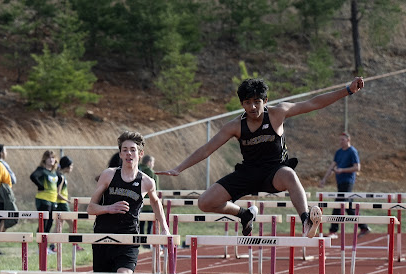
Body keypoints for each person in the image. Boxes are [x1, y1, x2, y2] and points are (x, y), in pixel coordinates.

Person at [158, 76, 365, 238]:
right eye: (248, 103)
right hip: (248, 172)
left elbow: (314, 103)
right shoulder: (235, 126)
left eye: (257, 102)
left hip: (275, 171)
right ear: (242, 104)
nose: (253, 107)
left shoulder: (277, 113)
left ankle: (306, 220)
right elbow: (207, 149)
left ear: (265, 101)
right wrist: (179, 168)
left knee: (290, 175)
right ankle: (244, 214)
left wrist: (347, 90)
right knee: (204, 202)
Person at [87, 131, 170, 274]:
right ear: (120, 153)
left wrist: (165, 228)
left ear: (140, 154)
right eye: (125, 150)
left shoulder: (147, 182)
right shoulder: (108, 175)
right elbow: (90, 208)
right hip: (103, 238)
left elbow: (156, 204)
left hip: (128, 240)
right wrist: (109, 208)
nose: (128, 153)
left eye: (133, 150)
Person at [319, 132, 369, 237]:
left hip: (348, 181)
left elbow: (357, 168)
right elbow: (332, 166)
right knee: (348, 207)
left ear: (348, 140)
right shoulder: (339, 152)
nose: (341, 142)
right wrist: (324, 179)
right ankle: (364, 227)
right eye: (340, 140)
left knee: (338, 205)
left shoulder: (352, 151)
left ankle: (333, 231)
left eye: (343, 140)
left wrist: (342, 170)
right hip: (340, 182)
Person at [30, 150, 59, 241]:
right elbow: (33, 176)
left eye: (53, 157)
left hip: (53, 200)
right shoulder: (41, 170)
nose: (51, 160)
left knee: (50, 223)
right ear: (45, 159)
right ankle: (40, 245)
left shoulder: (54, 171)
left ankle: (44, 244)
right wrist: (40, 186)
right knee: (44, 222)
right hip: (43, 199)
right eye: (49, 158)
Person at [55, 156, 83, 250]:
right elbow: (57, 193)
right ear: (66, 166)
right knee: (72, 223)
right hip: (62, 204)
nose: (72, 168)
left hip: (61, 203)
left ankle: (52, 245)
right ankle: (75, 244)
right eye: (71, 166)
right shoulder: (60, 176)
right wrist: (68, 201)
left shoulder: (60, 175)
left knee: (59, 225)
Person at [138, 154, 158, 239]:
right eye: (153, 163)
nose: (153, 165)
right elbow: (155, 188)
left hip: (137, 200)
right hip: (149, 202)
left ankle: (141, 238)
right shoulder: (151, 172)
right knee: (150, 223)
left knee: (140, 223)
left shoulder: (135, 169)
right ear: (149, 162)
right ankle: (148, 240)